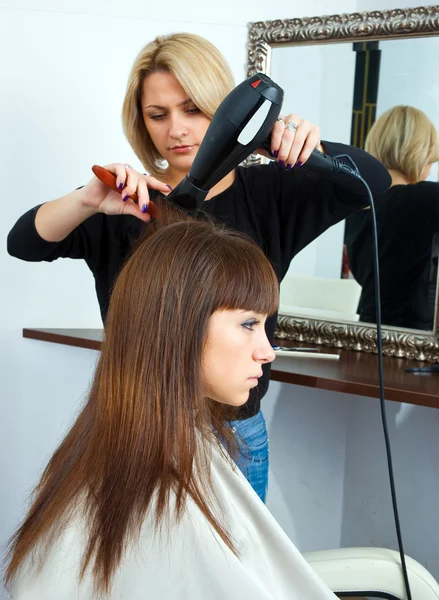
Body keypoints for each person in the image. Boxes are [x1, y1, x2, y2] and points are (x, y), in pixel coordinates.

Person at [7, 33, 391, 502]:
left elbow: (373, 181)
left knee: (233, 575)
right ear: (140, 122)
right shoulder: (125, 202)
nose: (177, 130)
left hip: (234, 436)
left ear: (223, 109)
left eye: (193, 109)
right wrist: (88, 199)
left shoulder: (272, 195)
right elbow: (23, 242)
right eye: (158, 115)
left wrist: (287, 142)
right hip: (134, 431)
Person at [5, 217, 338, 600]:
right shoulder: (160, 495)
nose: (266, 351)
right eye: (249, 324)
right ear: (179, 326)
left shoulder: (110, 448)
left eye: (265, 326)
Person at [345, 105, 439, 330]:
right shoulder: (427, 199)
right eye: (431, 161)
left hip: (367, 330)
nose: (429, 169)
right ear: (419, 154)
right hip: (414, 338)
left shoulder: (356, 203)